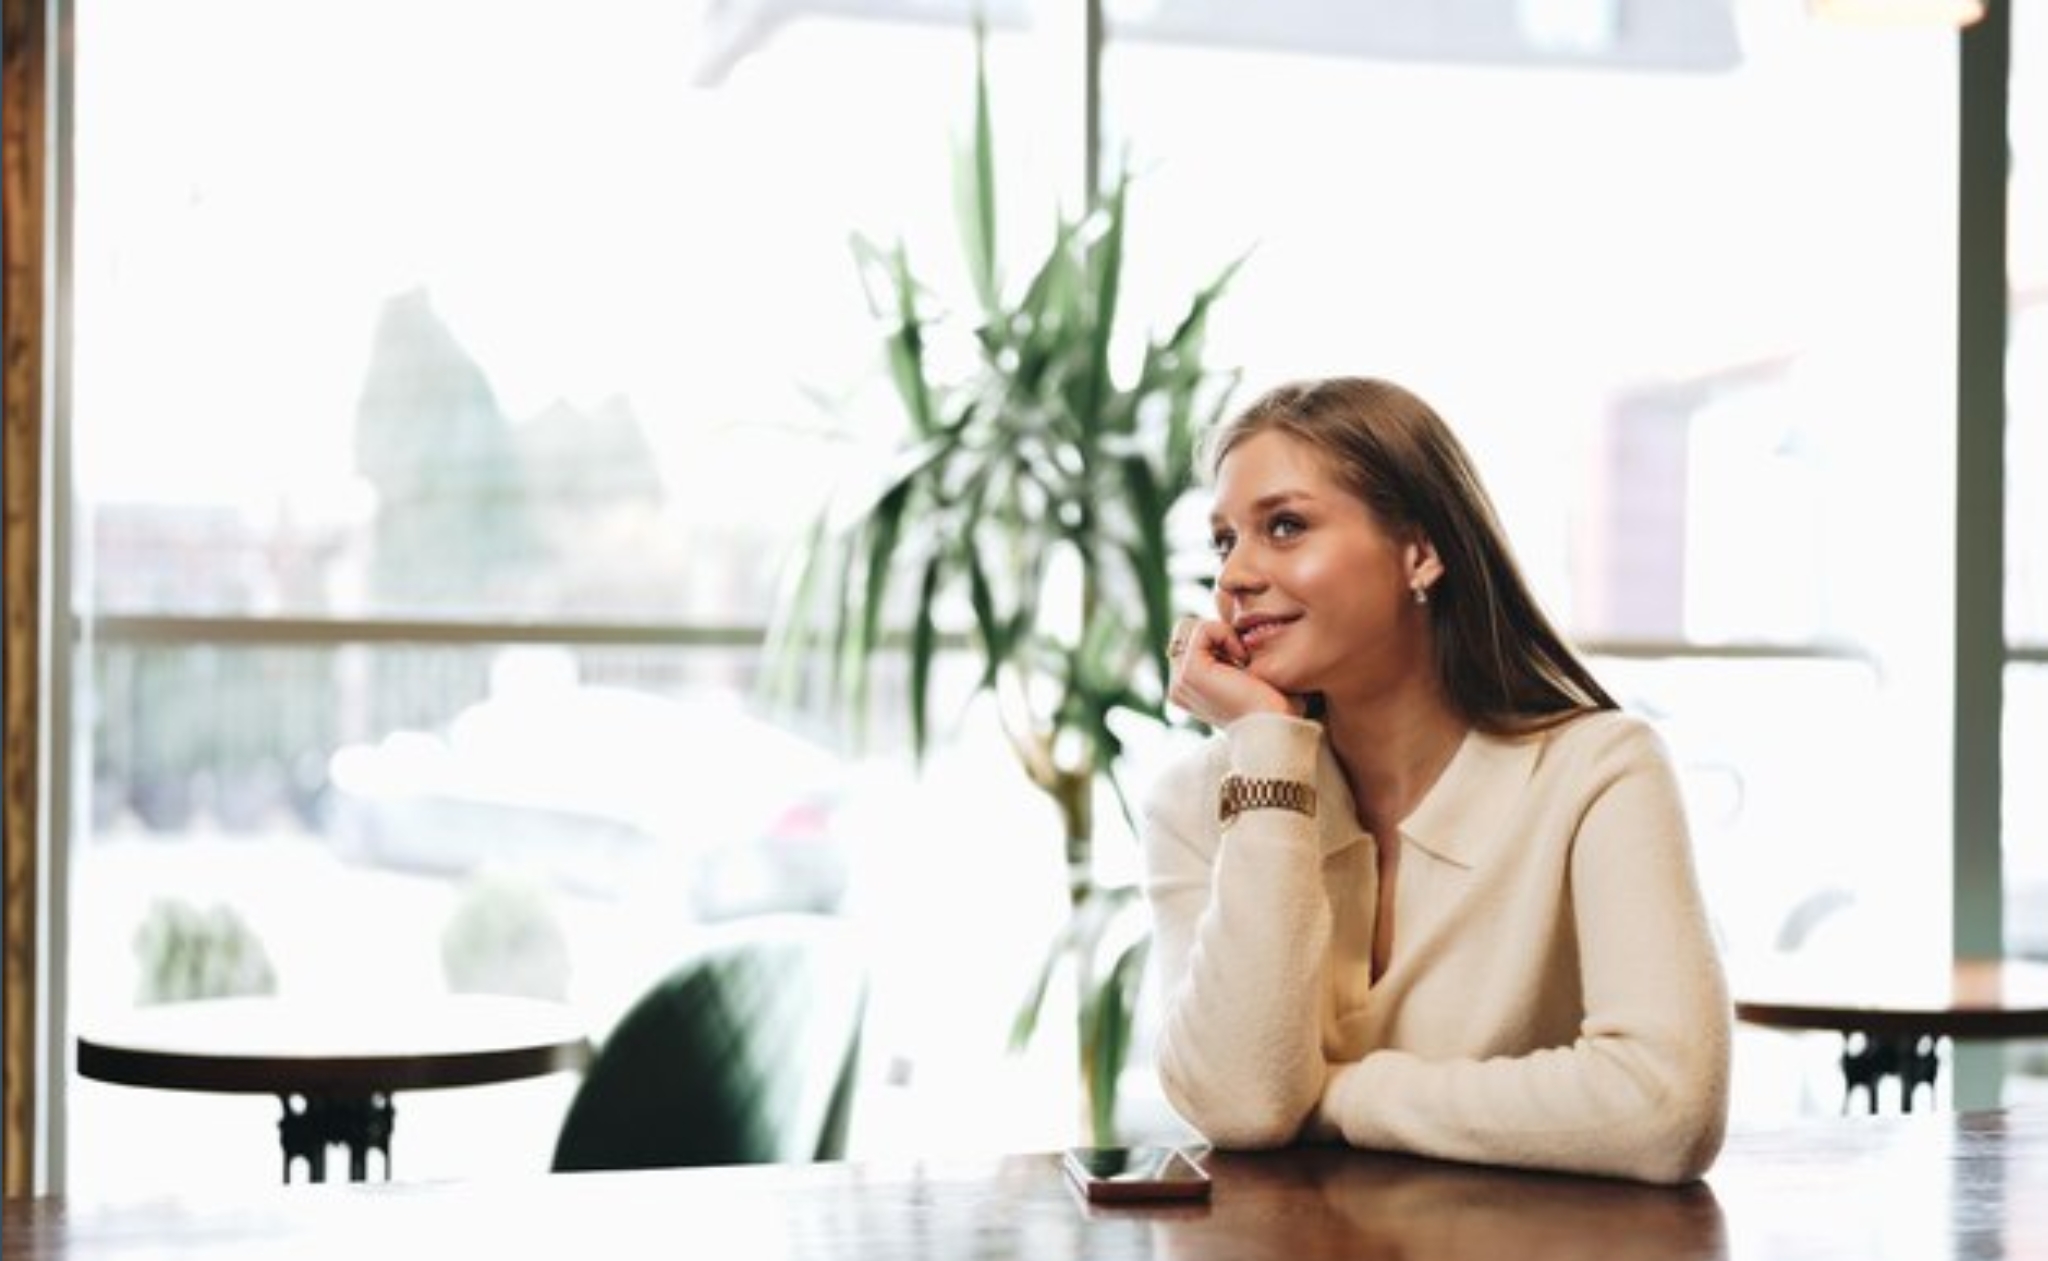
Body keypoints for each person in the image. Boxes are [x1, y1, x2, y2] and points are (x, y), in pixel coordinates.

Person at [1143, 375, 1730, 1185]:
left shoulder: (1602, 772)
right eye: (1223, 542)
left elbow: (1665, 1107)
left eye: (1284, 526)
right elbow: (1241, 1105)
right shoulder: (1199, 803)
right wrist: (1268, 746)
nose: (1235, 576)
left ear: (1419, 552)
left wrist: (1339, 1095)